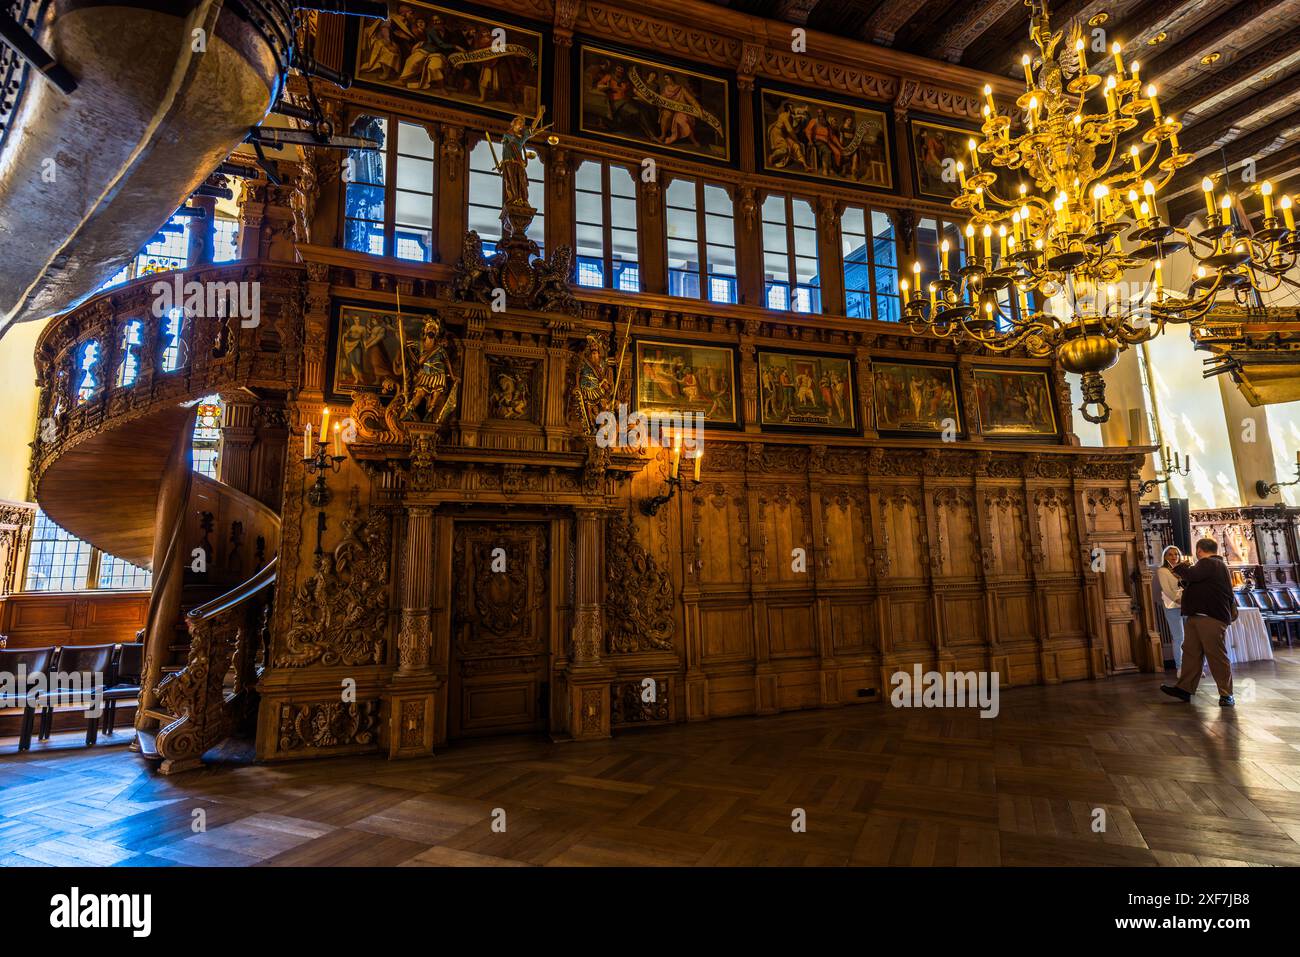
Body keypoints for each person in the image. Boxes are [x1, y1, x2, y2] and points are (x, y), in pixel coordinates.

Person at [1161, 538, 1237, 707]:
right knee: (1191, 654)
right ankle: (1185, 689)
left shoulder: (1210, 563)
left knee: (1216, 656)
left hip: (1210, 618)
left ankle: (1226, 694)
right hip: (1197, 617)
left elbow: (1191, 575)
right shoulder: (1211, 566)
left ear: (1200, 550)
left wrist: (1179, 566)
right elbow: (1194, 581)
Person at [1155, 546, 1185, 669]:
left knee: (1191, 638)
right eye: (1170, 554)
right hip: (1173, 605)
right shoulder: (1163, 570)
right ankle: (1180, 667)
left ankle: (1193, 667)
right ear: (1165, 557)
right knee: (1179, 638)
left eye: (1176, 554)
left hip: (1187, 604)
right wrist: (1179, 600)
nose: (1174, 557)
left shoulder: (1183, 569)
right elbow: (1167, 589)